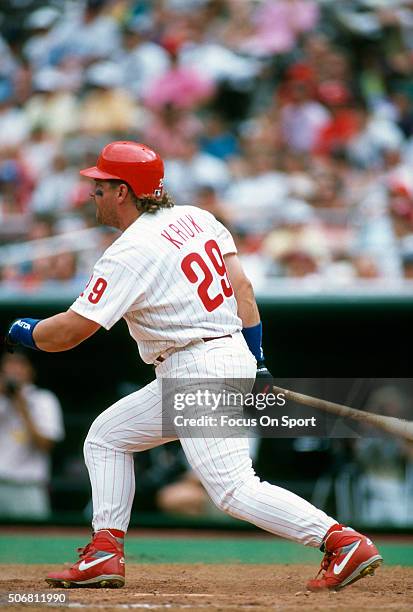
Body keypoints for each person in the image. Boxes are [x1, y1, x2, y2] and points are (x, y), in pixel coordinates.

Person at [6, 141, 382, 591]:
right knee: (107, 437)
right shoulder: (196, 218)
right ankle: (105, 551)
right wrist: (257, 362)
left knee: (233, 489)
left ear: (124, 192)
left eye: (101, 186)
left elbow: (67, 333)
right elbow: (243, 289)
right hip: (222, 353)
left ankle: (341, 540)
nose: (94, 193)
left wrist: (21, 330)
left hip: (196, 365)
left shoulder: (129, 251)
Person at [0, 351, 64, 519]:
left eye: (19, 364)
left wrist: (21, 406)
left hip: (29, 486)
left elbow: (46, 445)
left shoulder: (43, 399)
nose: (13, 370)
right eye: (9, 364)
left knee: (33, 540)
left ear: (30, 370)